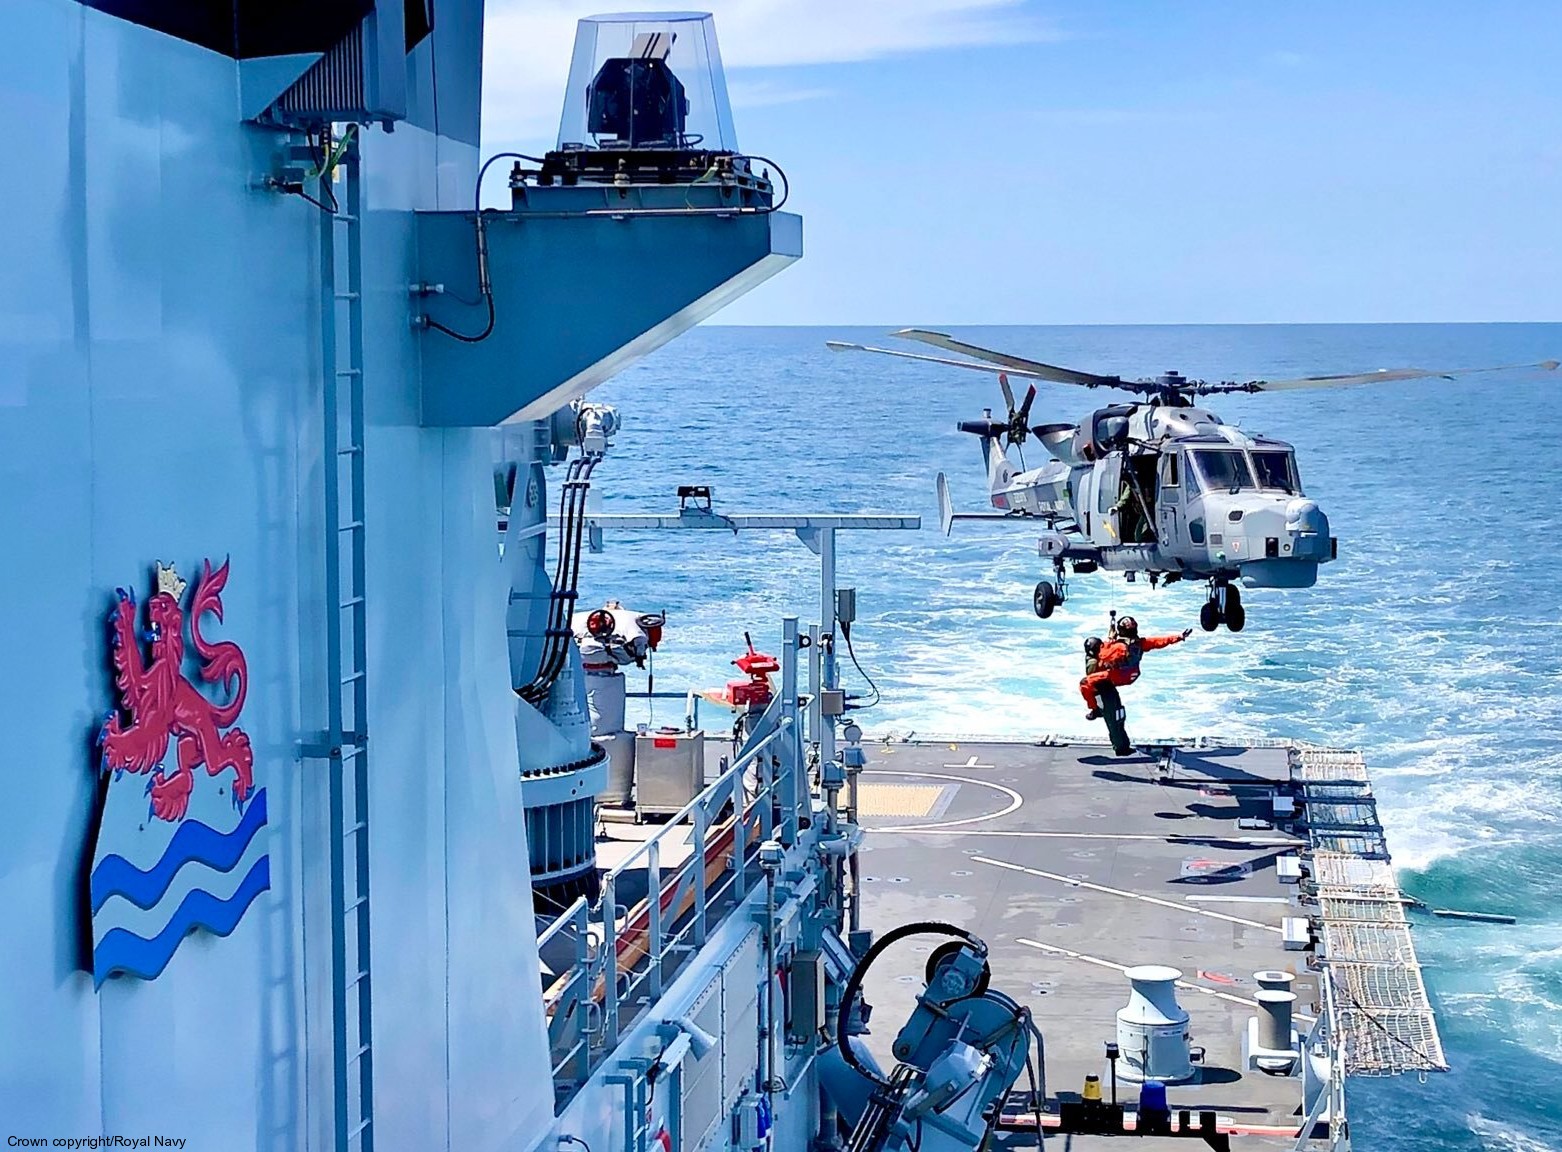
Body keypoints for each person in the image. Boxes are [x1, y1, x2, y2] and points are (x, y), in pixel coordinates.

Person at [1079, 614, 1193, 720]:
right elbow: (1160, 641)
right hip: (1133, 675)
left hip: (1120, 676)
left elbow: (1102, 655)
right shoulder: (1141, 643)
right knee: (1103, 668)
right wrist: (1179, 637)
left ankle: (1095, 709)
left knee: (1085, 682)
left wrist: (1110, 640)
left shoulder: (1119, 646)